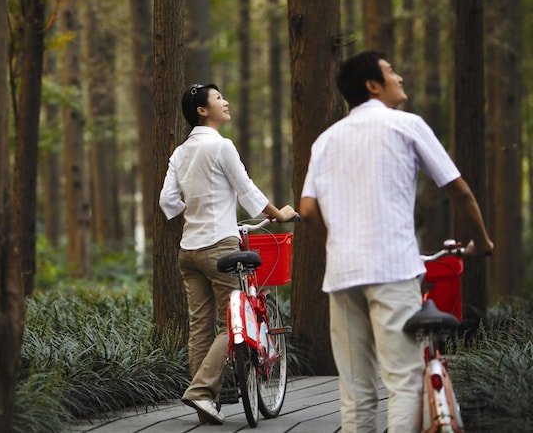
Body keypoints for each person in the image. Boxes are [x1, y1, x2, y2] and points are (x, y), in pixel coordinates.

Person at [298, 50, 494, 432]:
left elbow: (306, 209)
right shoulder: (406, 125)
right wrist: (482, 243)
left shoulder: (326, 140)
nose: (399, 77)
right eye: (391, 71)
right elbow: (460, 191)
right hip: (391, 267)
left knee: (355, 391)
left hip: (342, 274)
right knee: (404, 380)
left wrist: (337, 242)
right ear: (373, 85)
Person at [160, 82, 298, 425]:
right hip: (220, 248)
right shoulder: (221, 146)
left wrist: (197, 209)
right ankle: (201, 391)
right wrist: (279, 214)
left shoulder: (180, 154)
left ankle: (206, 403)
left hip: (189, 251)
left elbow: (168, 202)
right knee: (233, 324)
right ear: (202, 110)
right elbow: (247, 189)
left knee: (200, 327)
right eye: (218, 98)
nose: (225, 102)